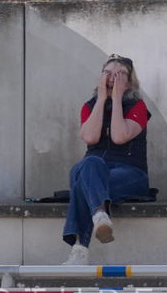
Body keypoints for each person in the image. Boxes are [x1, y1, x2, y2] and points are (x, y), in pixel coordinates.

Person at [62, 53, 152, 265]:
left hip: (129, 172)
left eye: (119, 75)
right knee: (90, 164)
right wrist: (102, 99)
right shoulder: (90, 106)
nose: (112, 78)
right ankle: (100, 215)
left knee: (81, 187)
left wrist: (118, 99)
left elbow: (119, 137)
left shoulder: (137, 107)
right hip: (93, 169)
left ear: (129, 82)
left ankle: (80, 250)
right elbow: (90, 137)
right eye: (108, 73)